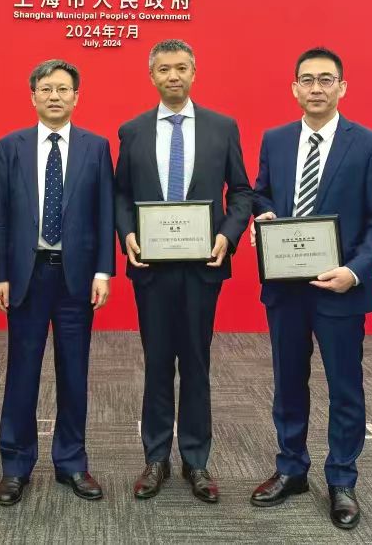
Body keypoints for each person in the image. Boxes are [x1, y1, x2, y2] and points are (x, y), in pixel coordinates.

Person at [249, 47, 372, 530]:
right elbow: (262, 194)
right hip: (286, 287)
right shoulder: (275, 140)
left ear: (342, 87)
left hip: (341, 288)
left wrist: (355, 271)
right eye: (307, 80)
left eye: (326, 79)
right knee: (288, 383)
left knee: (344, 387)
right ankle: (291, 468)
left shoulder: (369, 144)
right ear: (294, 88)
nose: (316, 88)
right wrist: (263, 216)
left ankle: (342, 479)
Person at [114, 39, 252, 503]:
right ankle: (155, 458)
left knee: (196, 362)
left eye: (181, 68)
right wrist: (127, 234)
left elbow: (242, 192)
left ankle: (196, 460)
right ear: (151, 76)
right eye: (164, 69)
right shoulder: (133, 131)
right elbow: (120, 193)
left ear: (194, 72)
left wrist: (228, 235)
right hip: (151, 268)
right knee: (156, 363)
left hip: (202, 266)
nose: (173, 76)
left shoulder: (222, 127)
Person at [0, 59, 115, 506]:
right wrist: (1, 275)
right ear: (33, 97)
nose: (55, 96)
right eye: (46, 89)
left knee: (74, 372)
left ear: (76, 97)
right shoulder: (10, 147)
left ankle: (71, 462)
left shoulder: (96, 147)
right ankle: (15, 465)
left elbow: (105, 212)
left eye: (63, 89)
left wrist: (103, 271)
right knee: (21, 373)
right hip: (26, 276)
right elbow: (1, 217)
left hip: (76, 277)